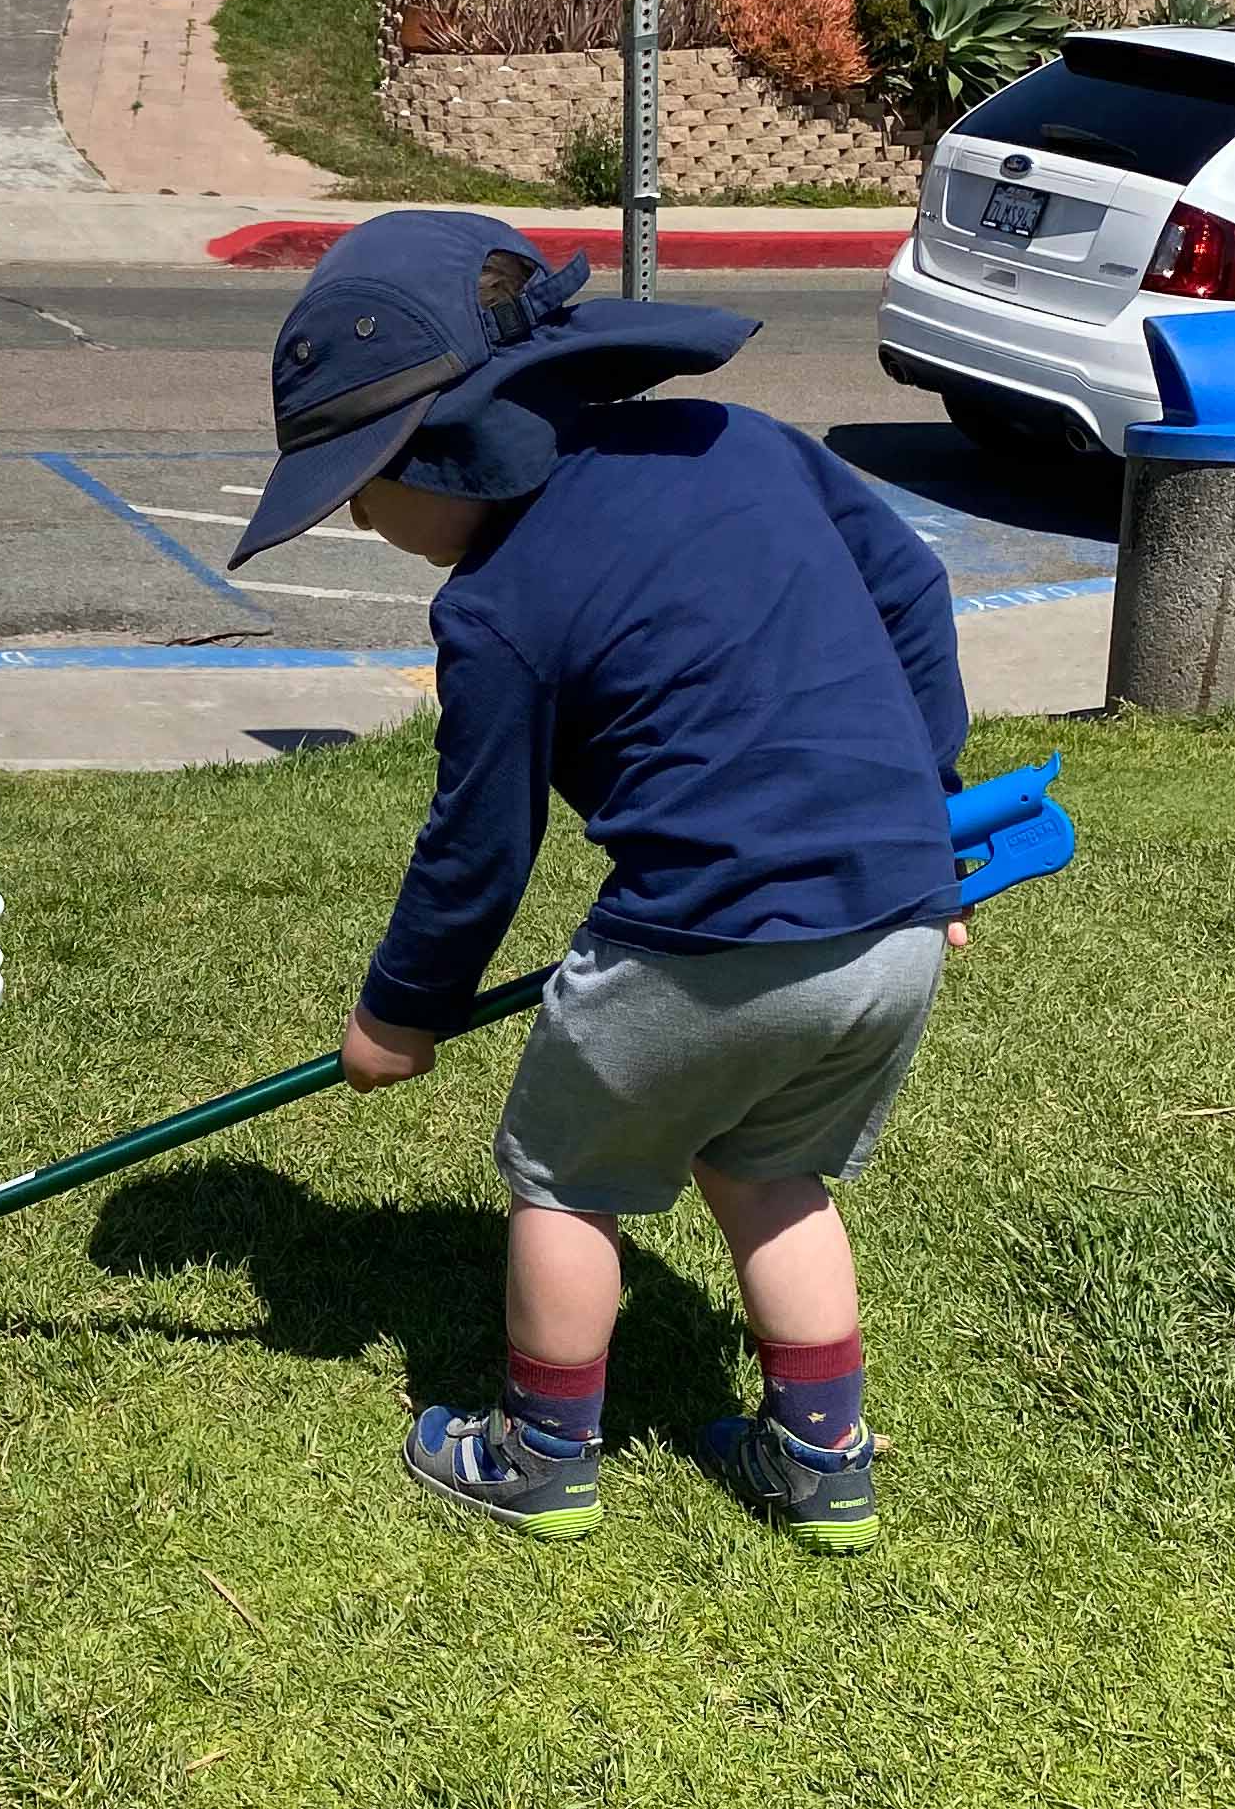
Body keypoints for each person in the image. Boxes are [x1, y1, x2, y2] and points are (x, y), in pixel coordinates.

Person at [230, 211, 968, 1551]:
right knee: (772, 1174)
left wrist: (400, 1013)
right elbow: (911, 596)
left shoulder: (497, 607)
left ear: (455, 443)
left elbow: (481, 843)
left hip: (701, 936)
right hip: (898, 925)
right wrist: (933, 818)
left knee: (567, 1182)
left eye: (364, 480)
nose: (358, 512)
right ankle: (826, 1465)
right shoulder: (738, 443)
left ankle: (541, 1454)